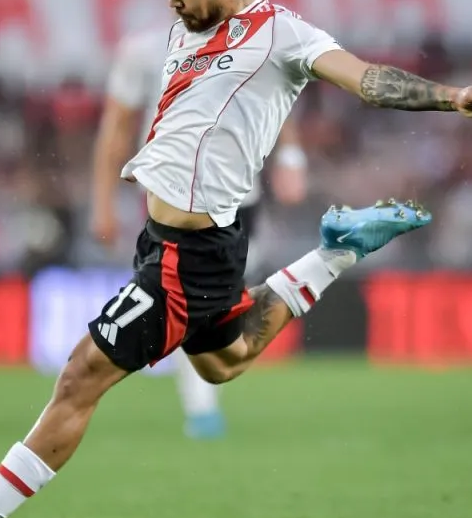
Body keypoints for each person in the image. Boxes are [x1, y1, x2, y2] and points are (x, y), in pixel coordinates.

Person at [0, 0, 472, 518]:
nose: (173, 3)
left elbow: (369, 79)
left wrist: (453, 97)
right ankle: (335, 253)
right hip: (169, 240)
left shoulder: (285, 36)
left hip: (188, 254)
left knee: (81, 375)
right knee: (222, 361)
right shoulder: (184, 32)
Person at [90, 22, 309, 439]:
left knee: (222, 296)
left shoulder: (249, 37)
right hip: (171, 193)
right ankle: (202, 406)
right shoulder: (143, 50)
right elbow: (116, 128)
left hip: (240, 192)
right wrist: (103, 203)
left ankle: (201, 389)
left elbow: (276, 93)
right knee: (191, 296)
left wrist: (292, 157)